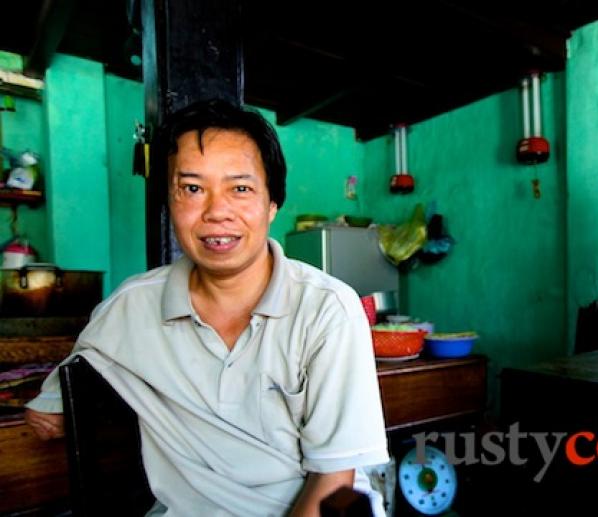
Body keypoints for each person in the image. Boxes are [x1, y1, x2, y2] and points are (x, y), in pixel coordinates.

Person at [24, 99, 389, 516]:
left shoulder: (327, 310)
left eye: (240, 188)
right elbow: (65, 387)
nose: (217, 212)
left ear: (272, 204)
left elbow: (332, 483)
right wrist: (51, 409)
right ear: (170, 201)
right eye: (193, 189)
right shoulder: (132, 307)